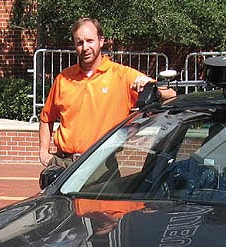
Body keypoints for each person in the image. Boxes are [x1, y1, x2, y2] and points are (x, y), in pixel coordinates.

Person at [38, 18, 176, 171]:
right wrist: (44, 151)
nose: (85, 47)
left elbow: (170, 94)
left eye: (90, 41)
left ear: (101, 41)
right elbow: (46, 118)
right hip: (63, 164)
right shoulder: (63, 78)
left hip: (100, 165)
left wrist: (151, 88)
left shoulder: (121, 75)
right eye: (80, 42)